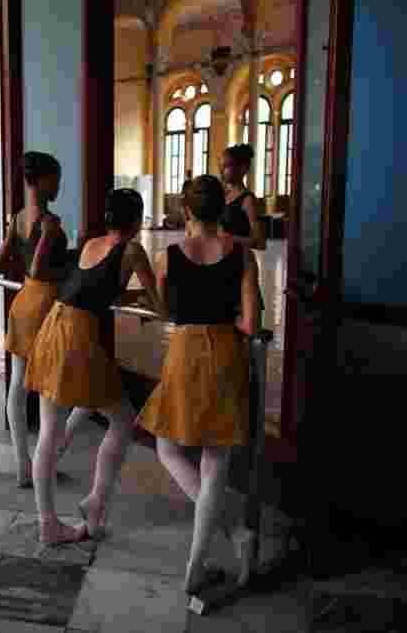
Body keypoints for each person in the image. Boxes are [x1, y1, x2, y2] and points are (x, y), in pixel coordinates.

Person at [136, 174, 259, 596]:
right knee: (215, 463)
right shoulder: (241, 255)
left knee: (167, 447)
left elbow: (167, 311)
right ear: (220, 210)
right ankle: (208, 553)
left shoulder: (169, 256)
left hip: (185, 352)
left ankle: (219, 545)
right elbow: (251, 323)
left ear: (186, 211)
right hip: (226, 350)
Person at [23, 188, 164, 546]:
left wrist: (128, 298)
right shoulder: (132, 249)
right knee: (122, 419)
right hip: (78, 338)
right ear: (136, 219)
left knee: (49, 432)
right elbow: (160, 305)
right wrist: (153, 303)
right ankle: (96, 499)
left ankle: (48, 522)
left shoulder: (90, 243)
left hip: (54, 326)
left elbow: (95, 287)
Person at [0, 152, 91, 488]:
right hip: (45, 305)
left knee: (18, 384)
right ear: (43, 180)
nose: (59, 185)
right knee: (51, 390)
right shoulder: (49, 222)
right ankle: (44, 465)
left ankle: (24, 464)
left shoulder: (18, 218)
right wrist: (73, 259)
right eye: (57, 179)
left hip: (22, 303)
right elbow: (38, 268)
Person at [219, 144, 265, 319]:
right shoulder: (223, 197)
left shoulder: (248, 200)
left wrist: (230, 238)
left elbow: (260, 241)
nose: (223, 171)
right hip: (222, 265)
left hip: (241, 267)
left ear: (243, 168)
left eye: (228, 166)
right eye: (221, 166)